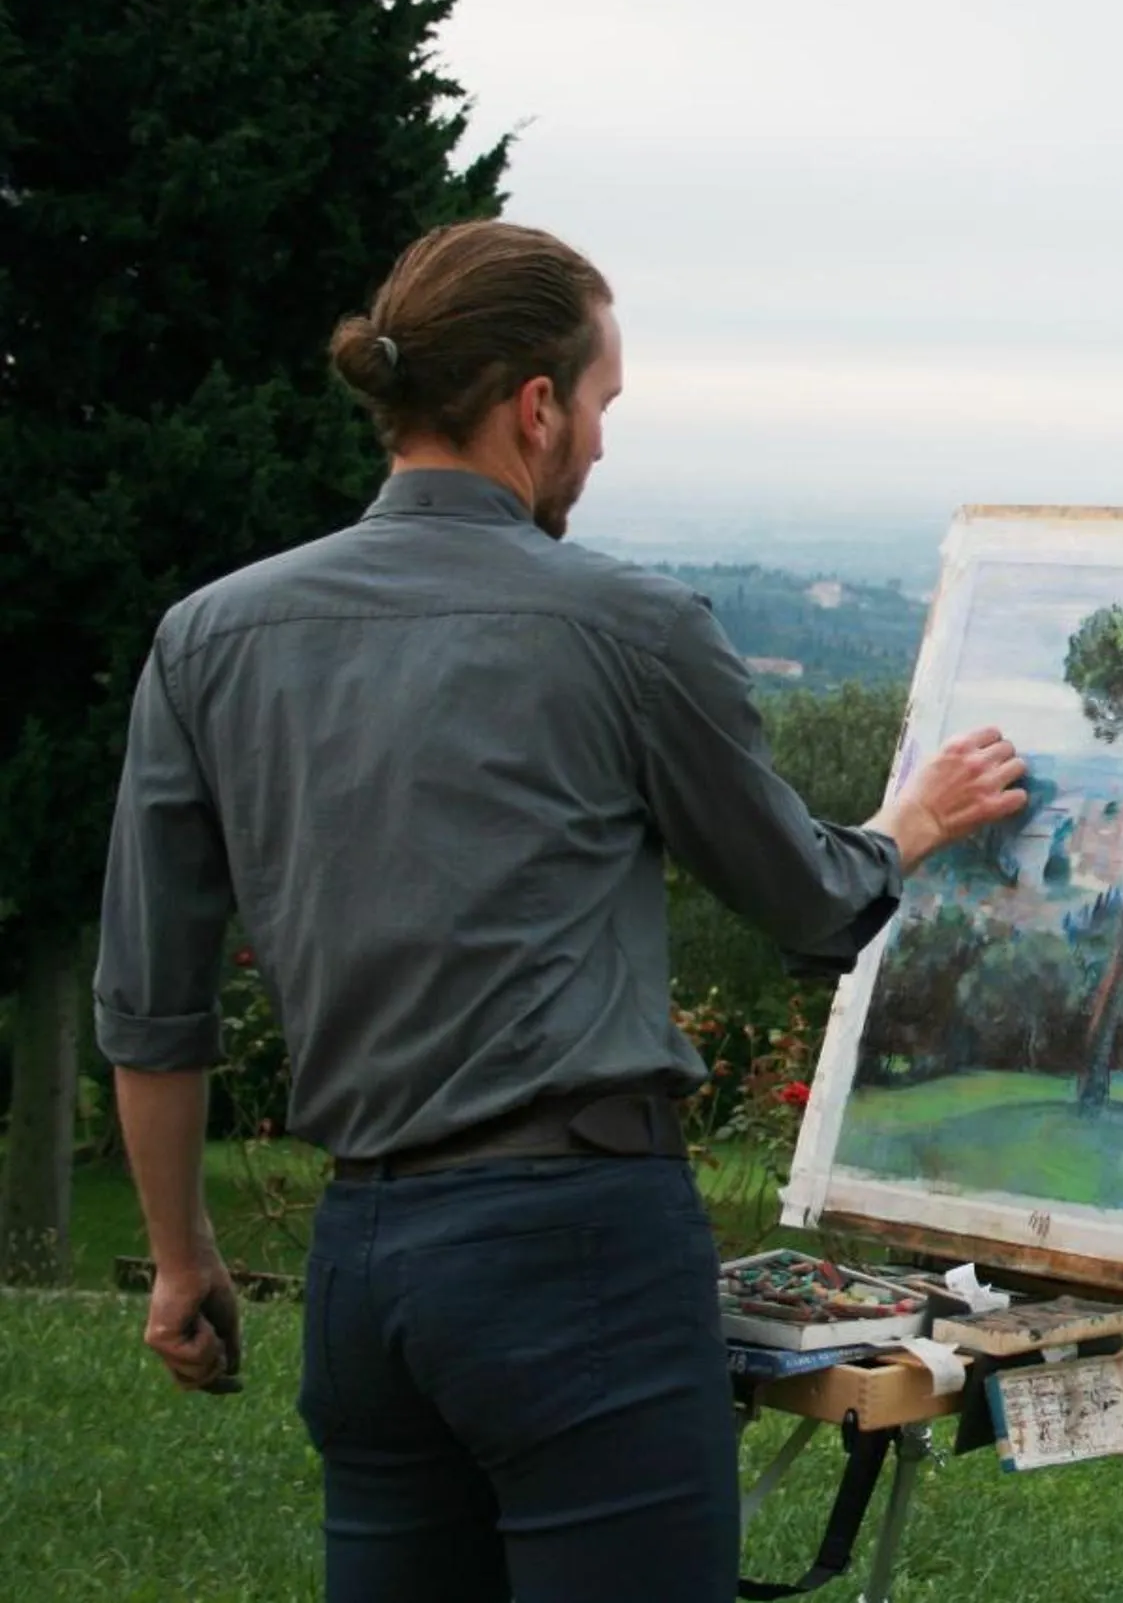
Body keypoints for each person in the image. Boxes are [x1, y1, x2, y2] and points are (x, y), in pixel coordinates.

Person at [91, 220, 1029, 1603]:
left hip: (362, 1264)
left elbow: (152, 1005)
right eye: (601, 405)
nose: (599, 441)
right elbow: (811, 904)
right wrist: (915, 821)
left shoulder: (209, 636)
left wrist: (183, 1257)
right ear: (535, 407)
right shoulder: (627, 626)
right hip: (576, 1245)